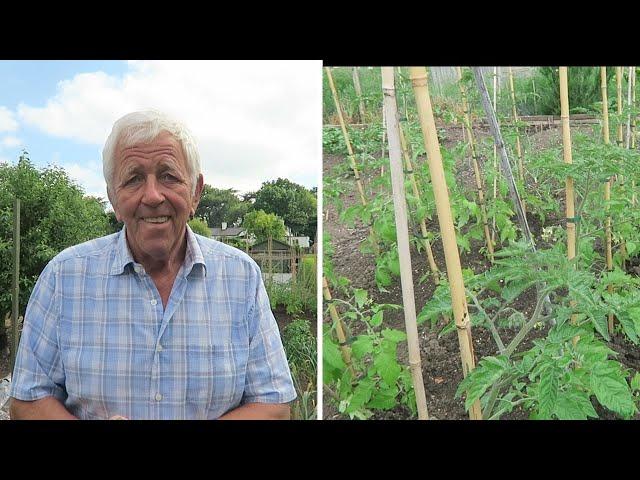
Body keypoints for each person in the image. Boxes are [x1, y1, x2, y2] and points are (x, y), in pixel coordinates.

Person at [8, 110, 296, 419]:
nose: (153, 195)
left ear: (196, 191)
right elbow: (28, 399)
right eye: (133, 179)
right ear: (113, 198)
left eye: (169, 176)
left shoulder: (241, 277)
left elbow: (273, 404)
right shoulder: (64, 277)